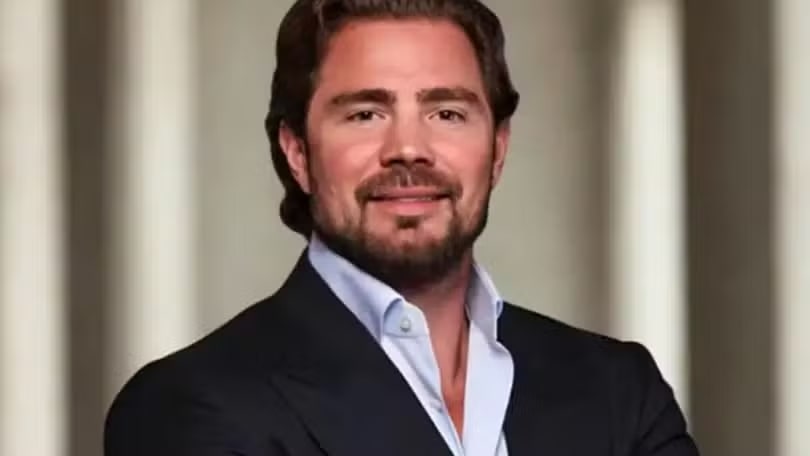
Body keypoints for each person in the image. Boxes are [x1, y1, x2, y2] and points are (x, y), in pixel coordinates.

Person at [104, 0, 700, 455]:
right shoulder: (188, 408)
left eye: (447, 112)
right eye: (366, 113)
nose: (409, 148)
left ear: (497, 149)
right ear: (297, 152)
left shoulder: (621, 393)